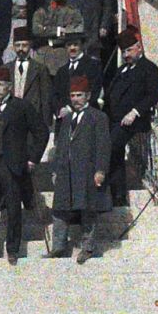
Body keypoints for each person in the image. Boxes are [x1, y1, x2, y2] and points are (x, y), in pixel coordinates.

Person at [0, 64, 46, 263]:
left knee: (13, 208)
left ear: (9, 87)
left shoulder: (21, 106)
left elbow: (41, 132)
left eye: (1, 85)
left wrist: (32, 158)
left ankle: (13, 249)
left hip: (13, 165)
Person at [48, 76, 113, 261]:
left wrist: (100, 170)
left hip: (86, 171)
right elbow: (60, 146)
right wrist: (55, 170)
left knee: (87, 208)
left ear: (88, 96)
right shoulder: (67, 119)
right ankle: (58, 247)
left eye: (79, 95)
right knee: (60, 208)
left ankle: (88, 247)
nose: (75, 99)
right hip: (65, 171)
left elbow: (103, 146)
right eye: (72, 95)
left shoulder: (98, 117)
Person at [100, 26, 158, 204]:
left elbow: (154, 94)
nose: (126, 55)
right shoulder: (122, 70)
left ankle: (112, 193)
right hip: (113, 119)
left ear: (139, 48)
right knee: (115, 154)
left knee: (111, 148)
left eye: (129, 50)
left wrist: (135, 112)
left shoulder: (149, 69)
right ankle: (118, 196)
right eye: (123, 51)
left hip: (132, 121)